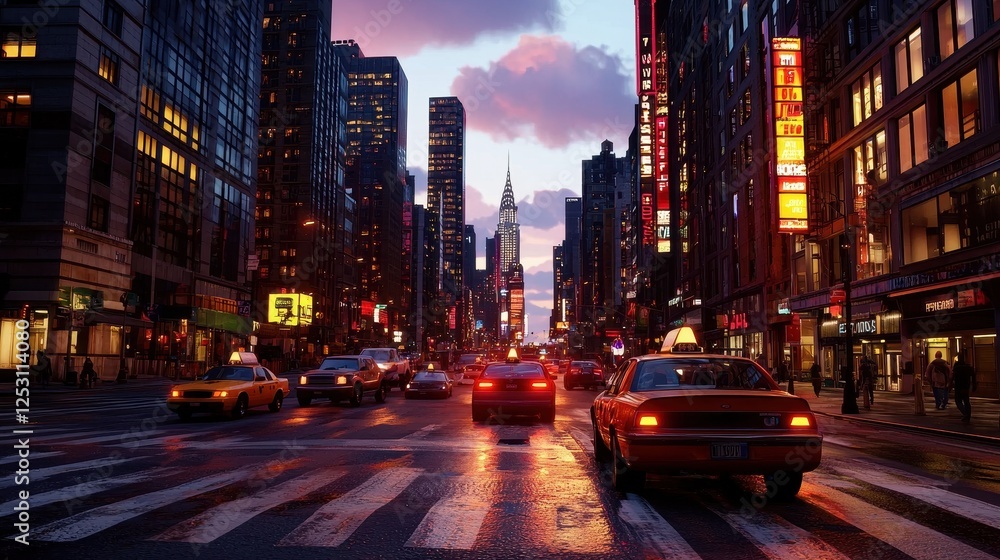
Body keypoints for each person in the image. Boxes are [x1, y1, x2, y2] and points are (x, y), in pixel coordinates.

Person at [952, 352, 977, 423]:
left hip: (958, 386)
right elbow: (973, 376)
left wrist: (950, 384)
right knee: (966, 401)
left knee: (958, 401)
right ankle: (967, 415)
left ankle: (965, 413)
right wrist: (974, 385)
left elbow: (953, 376)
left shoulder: (956, 366)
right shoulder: (968, 367)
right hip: (966, 386)